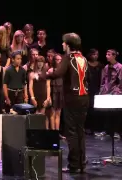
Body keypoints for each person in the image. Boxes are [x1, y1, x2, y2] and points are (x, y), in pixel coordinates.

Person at [47, 33, 89, 173]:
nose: (62, 45)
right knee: (80, 130)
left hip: (72, 98)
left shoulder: (68, 58)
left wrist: (43, 74)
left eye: (64, 43)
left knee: (71, 131)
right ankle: (81, 163)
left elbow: (58, 73)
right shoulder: (83, 58)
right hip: (84, 97)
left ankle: (74, 165)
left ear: (69, 44)